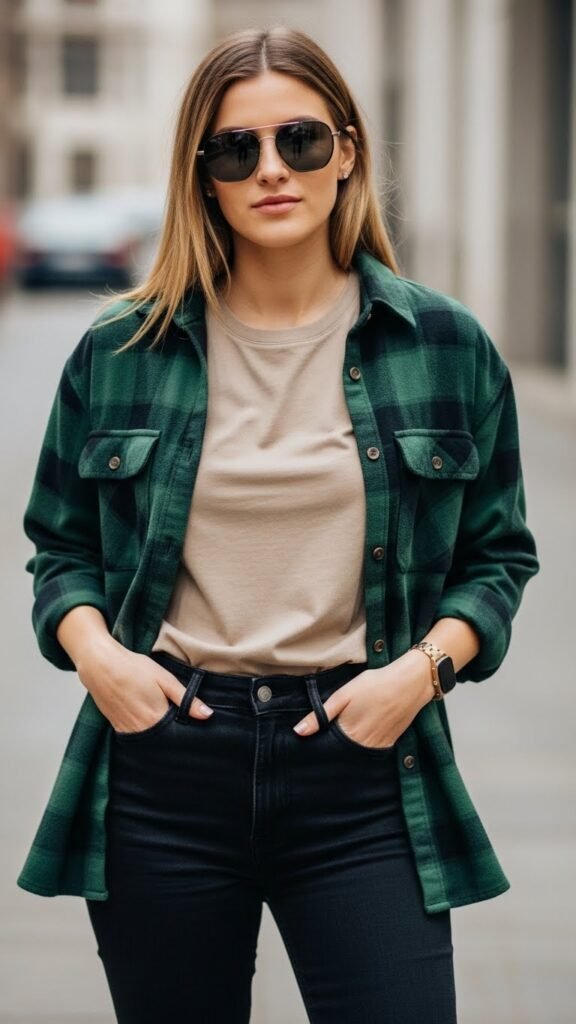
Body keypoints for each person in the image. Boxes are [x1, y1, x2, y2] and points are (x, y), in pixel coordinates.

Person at [18, 24, 540, 1024]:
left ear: (347, 151)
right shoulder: (123, 348)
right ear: (202, 176)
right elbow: (62, 546)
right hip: (166, 763)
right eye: (234, 149)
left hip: (365, 762)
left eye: (299, 140)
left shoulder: (443, 343)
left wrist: (418, 674)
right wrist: (103, 663)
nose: (271, 170)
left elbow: (498, 555)